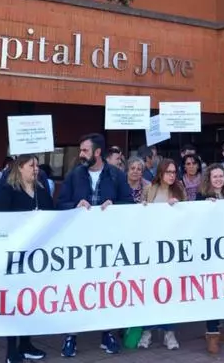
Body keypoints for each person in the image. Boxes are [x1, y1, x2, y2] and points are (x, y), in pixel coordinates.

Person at [57, 133, 133, 358]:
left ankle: (106, 333)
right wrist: (75, 205)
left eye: (85, 150)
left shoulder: (116, 175)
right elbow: (60, 204)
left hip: (107, 242)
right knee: (76, 288)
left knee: (106, 287)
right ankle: (71, 335)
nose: (81, 154)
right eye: (81, 150)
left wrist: (115, 205)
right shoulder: (74, 175)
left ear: (97, 152)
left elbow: (129, 203)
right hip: (79, 243)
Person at [0, 154, 53, 361]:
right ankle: (11, 350)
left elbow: (53, 215)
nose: (36, 169)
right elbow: (0, 218)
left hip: (36, 255)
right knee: (14, 301)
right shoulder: (9, 190)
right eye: (31, 165)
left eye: (37, 165)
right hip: (15, 254)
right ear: (20, 167)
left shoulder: (41, 190)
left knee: (30, 300)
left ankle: (26, 343)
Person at [138, 158, 184, 350]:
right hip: (152, 246)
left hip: (172, 247)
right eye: (168, 172)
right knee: (150, 289)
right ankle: (148, 331)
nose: (172, 175)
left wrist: (177, 207)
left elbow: (187, 215)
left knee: (169, 290)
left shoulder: (179, 190)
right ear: (161, 173)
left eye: (174, 172)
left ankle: (169, 332)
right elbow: (141, 215)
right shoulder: (150, 189)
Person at [195, 163, 224, 354]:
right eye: (215, 177)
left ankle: (219, 329)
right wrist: (205, 207)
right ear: (209, 179)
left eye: (221, 176)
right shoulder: (201, 197)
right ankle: (211, 333)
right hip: (210, 252)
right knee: (212, 291)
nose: (218, 179)